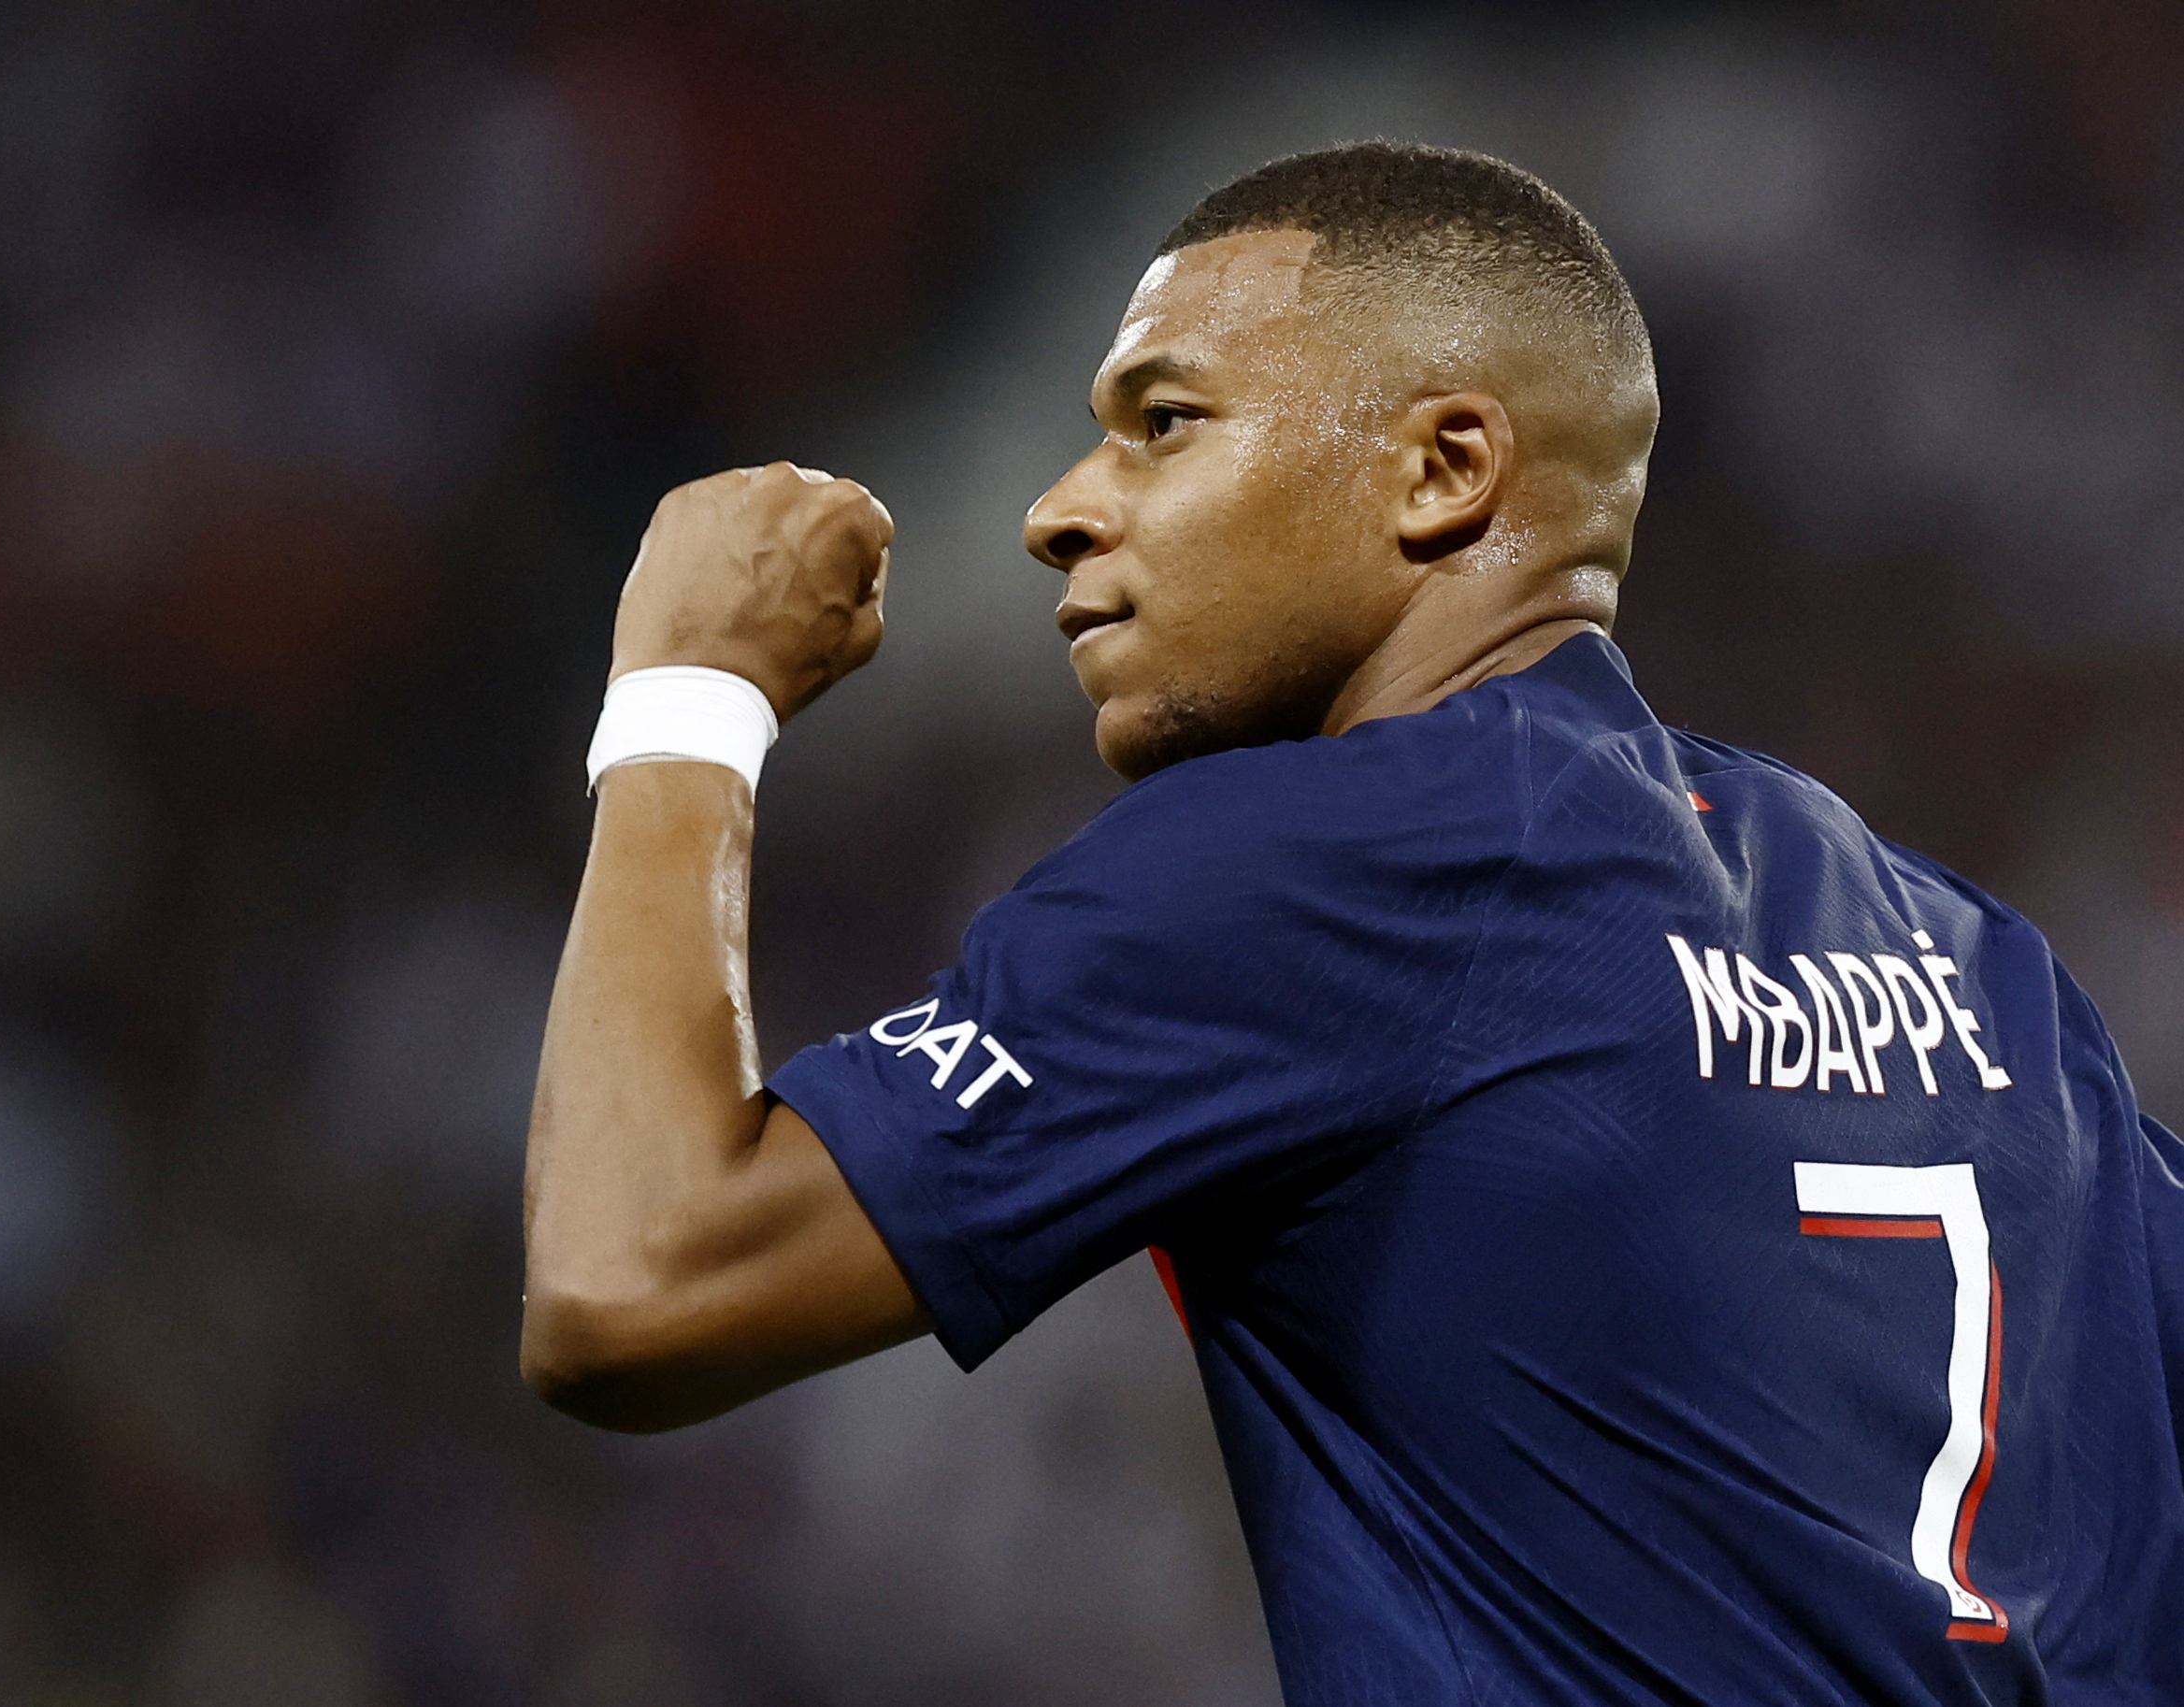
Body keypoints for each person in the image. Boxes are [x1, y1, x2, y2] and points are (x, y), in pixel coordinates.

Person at [517, 142, 2184, 1703]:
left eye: (1160, 421)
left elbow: (634, 1282)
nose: (1062, 507)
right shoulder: (1986, 972)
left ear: (1445, 472)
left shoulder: (1331, 859)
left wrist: (688, 692)